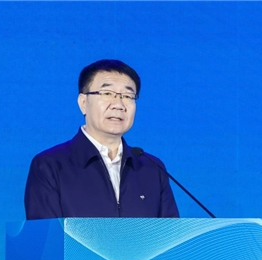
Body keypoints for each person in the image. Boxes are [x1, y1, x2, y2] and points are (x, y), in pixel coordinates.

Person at [24, 59, 179, 220]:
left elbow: (171, 234)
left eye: (128, 96)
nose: (118, 105)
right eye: (107, 94)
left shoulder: (152, 169)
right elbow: (45, 234)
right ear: (83, 103)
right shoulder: (50, 165)